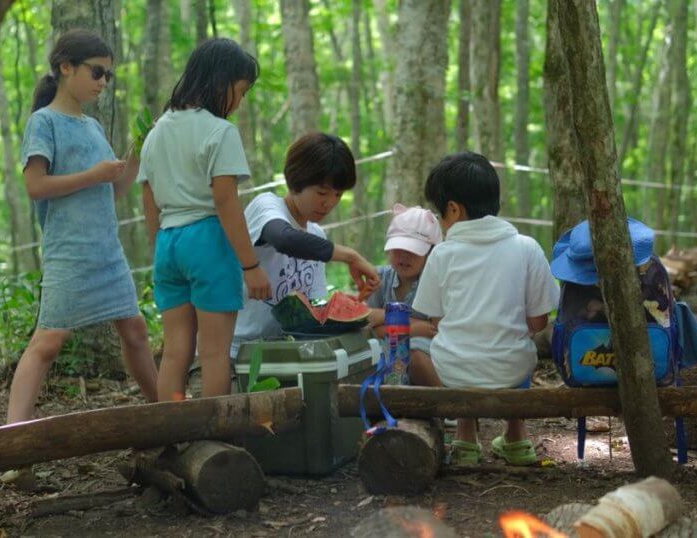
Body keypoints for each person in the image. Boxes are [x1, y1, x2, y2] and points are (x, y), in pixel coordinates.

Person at [2, 30, 160, 486]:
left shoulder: (92, 127)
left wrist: (133, 153)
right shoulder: (44, 123)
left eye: (108, 75)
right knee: (47, 343)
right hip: (69, 252)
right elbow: (36, 186)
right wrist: (93, 173)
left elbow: (115, 188)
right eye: (97, 72)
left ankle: (169, 418)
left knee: (134, 330)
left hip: (106, 251)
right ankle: (14, 451)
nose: (103, 82)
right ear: (65, 67)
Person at [138, 38, 270, 402]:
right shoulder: (220, 132)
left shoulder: (157, 130)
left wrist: (159, 249)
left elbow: (149, 198)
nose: (239, 102)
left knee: (176, 351)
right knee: (214, 353)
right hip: (208, 241)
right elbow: (225, 200)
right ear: (221, 82)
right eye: (240, 91)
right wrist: (251, 265)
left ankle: (174, 432)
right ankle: (214, 438)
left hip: (168, 243)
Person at [411, 152, 560, 466]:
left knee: (440, 345)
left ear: (453, 209)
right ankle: (517, 439)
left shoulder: (442, 254)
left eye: (440, 215)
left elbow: (437, 320)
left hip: (453, 369)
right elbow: (538, 321)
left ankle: (465, 441)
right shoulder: (527, 247)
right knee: (519, 345)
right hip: (512, 368)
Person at [231, 133, 380, 357]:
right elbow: (284, 239)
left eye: (338, 194)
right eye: (321, 192)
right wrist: (350, 256)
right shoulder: (267, 207)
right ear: (295, 182)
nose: (328, 203)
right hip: (238, 351)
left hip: (286, 353)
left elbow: (314, 311)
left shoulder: (316, 235)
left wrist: (353, 305)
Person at [364, 204, 442, 384]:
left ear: (431, 253)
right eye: (398, 249)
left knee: (416, 355)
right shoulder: (379, 279)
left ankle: (443, 406)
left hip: (425, 359)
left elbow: (435, 330)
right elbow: (368, 326)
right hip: (384, 362)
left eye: (413, 251)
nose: (404, 256)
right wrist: (412, 327)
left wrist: (384, 319)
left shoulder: (435, 283)